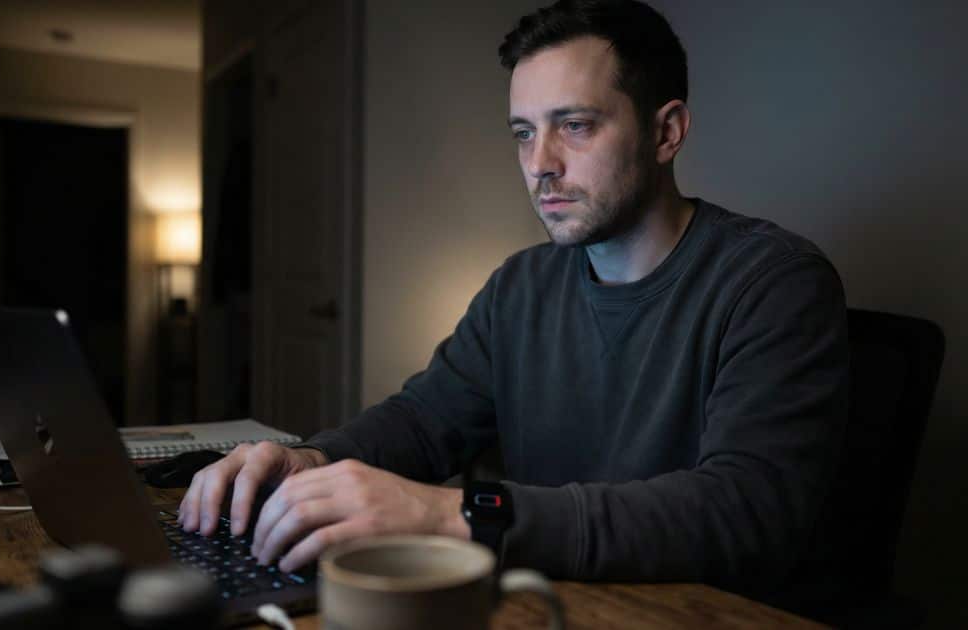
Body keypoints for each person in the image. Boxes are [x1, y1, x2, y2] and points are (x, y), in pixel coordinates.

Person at [179, 0, 850, 613]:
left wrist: (457, 514)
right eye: (523, 133)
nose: (541, 164)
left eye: (575, 126)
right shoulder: (520, 286)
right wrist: (312, 461)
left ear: (666, 131)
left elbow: (744, 512)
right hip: (553, 603)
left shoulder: (774, 282)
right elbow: (423, 420)